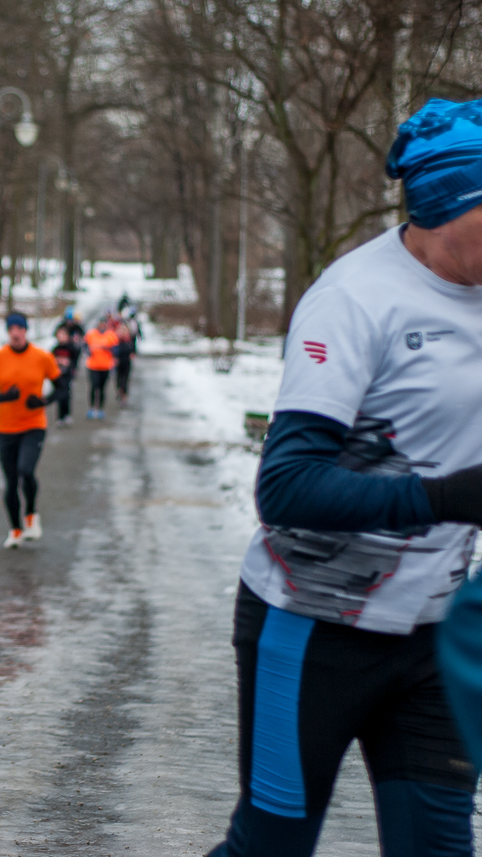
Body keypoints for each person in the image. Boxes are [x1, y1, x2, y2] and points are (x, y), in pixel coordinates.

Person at [205, 97, 482, 857]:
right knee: (272, 846)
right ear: (444, 204)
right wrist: (448, 498)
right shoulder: (355, 299)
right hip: (311, 626)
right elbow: (286, 488)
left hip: (434, 635)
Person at [0, 312, 61, 548]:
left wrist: (43, 402)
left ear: (26, 331)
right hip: (5, 429)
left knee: (26, 470)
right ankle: (15, 529)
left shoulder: (42, 357)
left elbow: (62, 387)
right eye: (11, 328)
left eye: (20, 328)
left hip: (34, 425)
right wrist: (2, 397)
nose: (15, 332)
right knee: (11, 481)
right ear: (7, 331)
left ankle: (31, 516)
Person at [82, 316, 118, 420]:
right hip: (93, 366)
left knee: (102, 388)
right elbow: (84, 346)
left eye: (104, 323)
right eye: (100, 323)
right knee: (94, 386)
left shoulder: (111, 335)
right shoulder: (91, 334)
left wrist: (108, 349)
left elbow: (116, 349)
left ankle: (101, 409)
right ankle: (92, 408)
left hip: (106, 366)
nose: (102, 325)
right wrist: (87, 351)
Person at [50, 326, 76, 427]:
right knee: (59, 396)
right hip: (58, 375)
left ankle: (67, 415)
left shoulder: (71, 348)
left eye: (63, 335)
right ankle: (60, 417)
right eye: (59, 335)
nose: (61, 337)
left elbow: (74, 360)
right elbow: (51, 360)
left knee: (66, 395)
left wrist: (70, 365)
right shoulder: (55, 349)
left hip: (67, 375)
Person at [113, 311, 140, 406]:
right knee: (118, 378)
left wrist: (133, 354)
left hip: (127, 361)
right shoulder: (117, 339)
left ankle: (124, 395)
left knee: (125, 378)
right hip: (118, 361)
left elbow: (134, 348)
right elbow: (113, 349)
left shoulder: (130, 339)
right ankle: (119, 390)